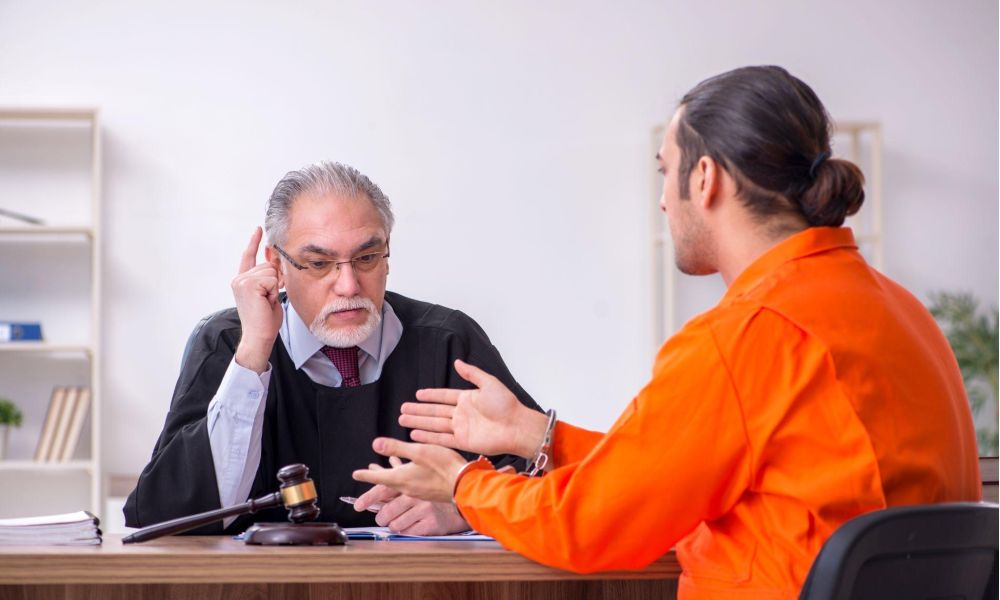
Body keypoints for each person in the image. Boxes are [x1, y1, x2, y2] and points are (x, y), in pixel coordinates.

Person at [352, 66, 982, 598]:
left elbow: (587, 525)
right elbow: (677, 473)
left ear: (705, 178)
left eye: (666, 171)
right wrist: (535, 434)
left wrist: (464, 484)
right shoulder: (901, 313)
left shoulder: (748, 335)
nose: (662, 200)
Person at [124, 161, 541, 536]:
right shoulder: (230, 342)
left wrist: (466, 508)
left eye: (367, 258)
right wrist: (255, 351)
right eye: (319, 263)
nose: (348, 286)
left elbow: (548, 479)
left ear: (387, 255)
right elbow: (167, 515)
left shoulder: (447, 341)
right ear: (277, 265)